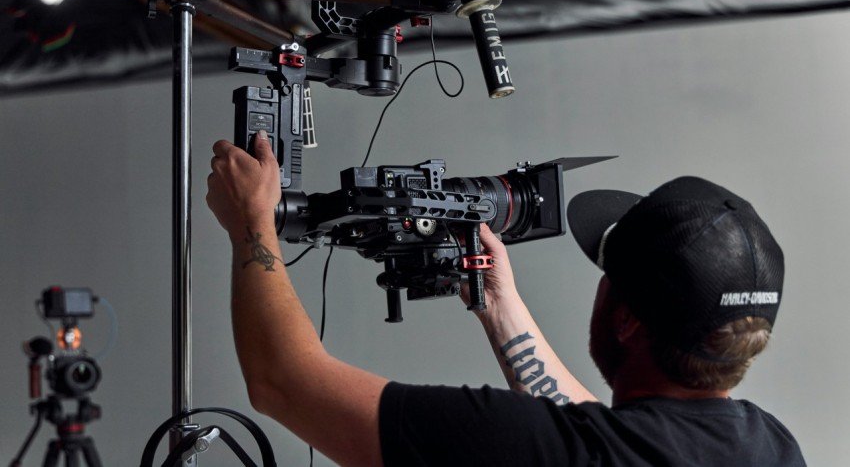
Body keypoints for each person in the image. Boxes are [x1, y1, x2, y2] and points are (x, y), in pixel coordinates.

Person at [206, 130, 806, 466]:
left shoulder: (517, 445)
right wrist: (500, 304)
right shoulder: (773, 449)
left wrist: (253, 224)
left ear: (623, 318)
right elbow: (604, 440)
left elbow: (284, 382)